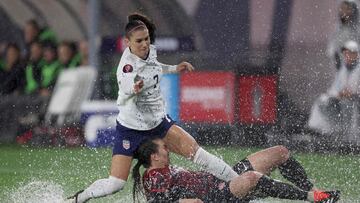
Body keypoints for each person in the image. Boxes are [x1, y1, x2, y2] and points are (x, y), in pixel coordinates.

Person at [67, 13, 243, 202]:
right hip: (130, 130)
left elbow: (154, 66)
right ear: (127, 42)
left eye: (146, 39)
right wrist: (134, 89)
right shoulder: (127, 67)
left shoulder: (149, 51)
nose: (144, 44)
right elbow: (126, 85)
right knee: (115, 184)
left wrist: (174, 68)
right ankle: (79, 198)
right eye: (139, 41)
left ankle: (243, 186)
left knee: (199, 155)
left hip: (158, 124)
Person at [133, 138, 340, 203]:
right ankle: (314, 197)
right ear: (154, 156)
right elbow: (157, 202)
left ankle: (316, 190)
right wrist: (187, 201)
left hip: (222, 180)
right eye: (164, 148)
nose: (168, 149)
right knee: (251, 178)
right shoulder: (153, 176)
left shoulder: (166, 169)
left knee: (280, 152)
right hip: (216, 196)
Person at [309, 40, 360, 136]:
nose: (347, 55)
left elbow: (354, 90)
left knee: (347, 104)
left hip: (355, 101)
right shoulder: (343, 69)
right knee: (323, 101)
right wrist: (337, 94)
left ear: (356, 54)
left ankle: (350, 136)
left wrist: (353, 93)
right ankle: (322, 131)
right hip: (342, 98)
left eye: (350, 53)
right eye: (346, 53)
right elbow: (336, 88)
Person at [328, 0, 360, 70]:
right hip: (341, 70)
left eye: (347, 9)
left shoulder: (356, 30)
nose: (343, 11)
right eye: (342, 8)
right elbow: (333, 48)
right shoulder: (339, 29)